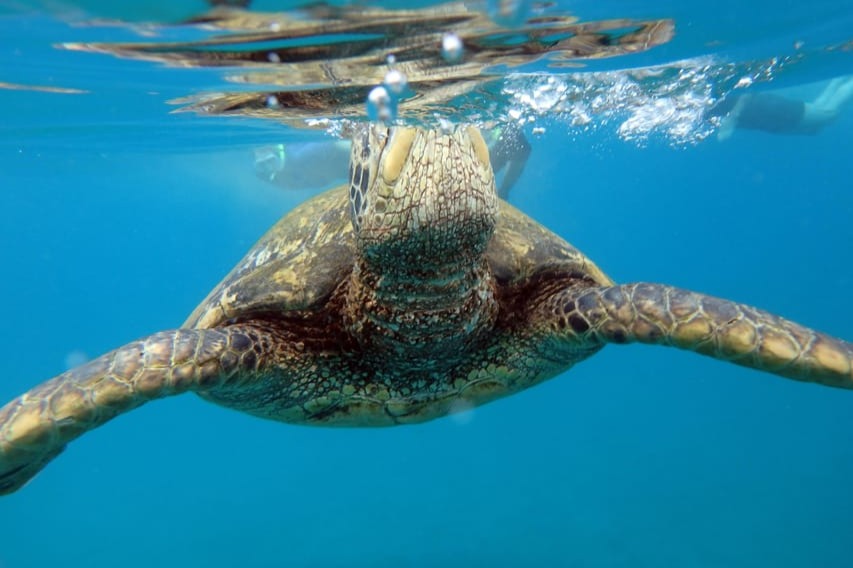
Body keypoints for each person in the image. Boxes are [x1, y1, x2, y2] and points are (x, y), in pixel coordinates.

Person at [254, 124, 532, 200]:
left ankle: (275, 162)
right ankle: (274, 159)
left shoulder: (507, 148)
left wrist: (504, 191)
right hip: (355, 163)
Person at [707, 74, 853, 140]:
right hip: (774, 122)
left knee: (830, 115)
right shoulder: (706, 104)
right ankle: (836, 80)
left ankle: (839, 80)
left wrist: (732, 117)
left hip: (776, 111)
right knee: (817, 122)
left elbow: (746, 92)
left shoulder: (719, 94)